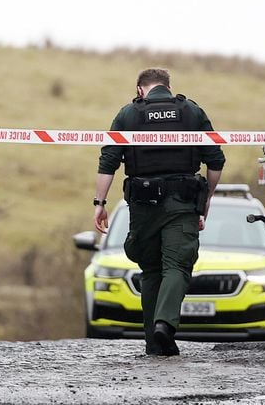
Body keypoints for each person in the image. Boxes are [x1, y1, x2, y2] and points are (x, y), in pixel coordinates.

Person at [92, 67, 224, 357]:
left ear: (140, 89)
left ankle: (153, 340)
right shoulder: (191, 112)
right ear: (167, 86)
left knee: (151, 270)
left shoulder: (128, 114)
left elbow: (108, 161)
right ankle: (165, 324)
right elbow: (215, 160)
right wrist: (207, 198)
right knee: (177, 265)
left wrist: (99, 203)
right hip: (182, 203)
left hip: (143, 205)